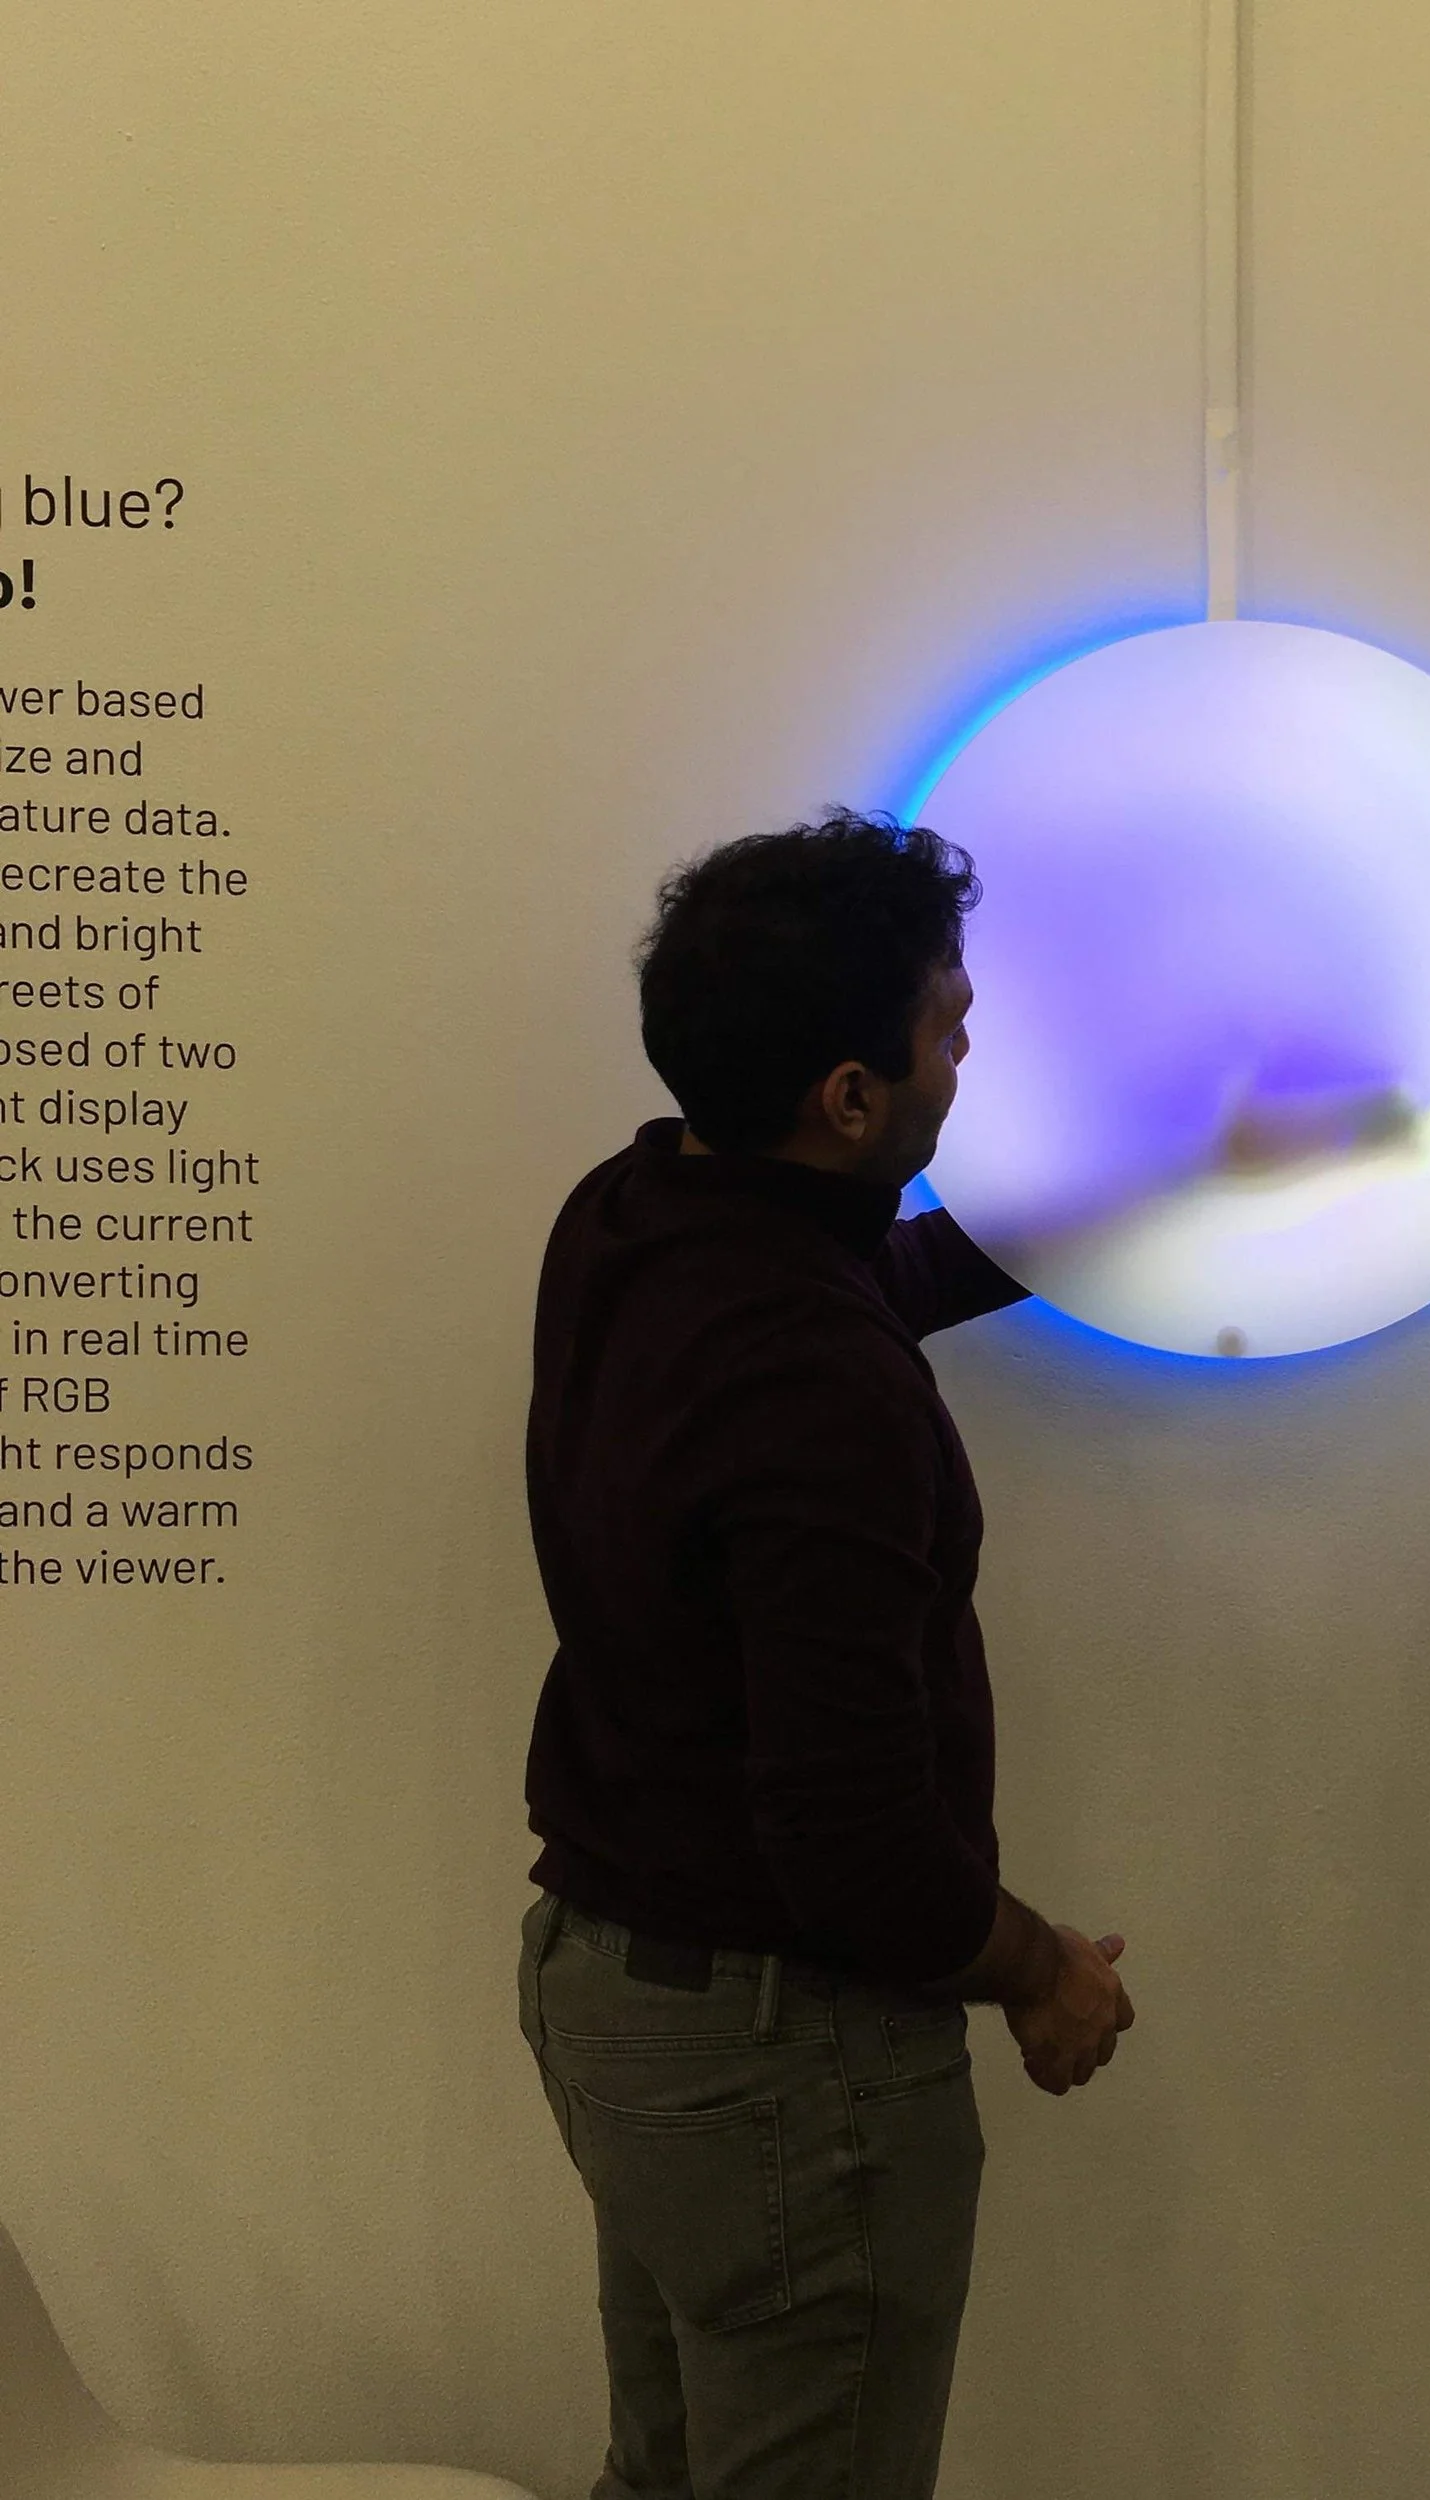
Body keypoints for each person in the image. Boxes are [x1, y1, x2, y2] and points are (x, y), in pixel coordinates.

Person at [516, 811, 1135, 2500]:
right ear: (849, 1100)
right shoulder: (821, 1391)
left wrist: (1112, 1197)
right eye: (947, 1026)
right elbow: (854, 1839)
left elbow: (842, 1296)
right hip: (783, 2069)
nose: (969, 1048)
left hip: (619, 1994)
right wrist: (1041, 1970)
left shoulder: (642, 1207)